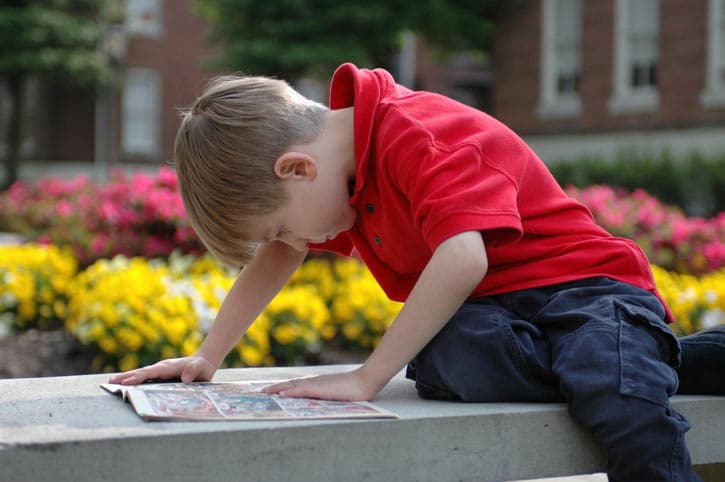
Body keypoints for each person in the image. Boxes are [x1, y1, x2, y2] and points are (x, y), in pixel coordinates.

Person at [110, 63, 722, 481]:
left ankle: (633, 359)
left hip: (585, 292)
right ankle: (645, 357)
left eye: (282, 226)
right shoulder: (338, 179)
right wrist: (208, 358)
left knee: (617, 397)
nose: (297, 243)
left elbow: (464, 255)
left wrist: (367, 378)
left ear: (297, 169)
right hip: (498, 314)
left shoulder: (416, 134)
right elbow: (279, 256)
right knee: (440, 362)